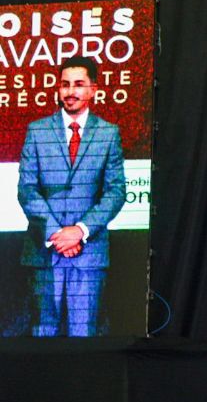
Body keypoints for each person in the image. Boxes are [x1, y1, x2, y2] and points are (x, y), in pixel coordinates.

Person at [18, 56, 126, 336]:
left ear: (93, 89)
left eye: (78, 84)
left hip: (89, 255)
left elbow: (116, 192)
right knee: (42, 335)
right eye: (65, 84)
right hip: (45, 252)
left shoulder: (109, 134)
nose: (70, 91)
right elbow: (27, 189)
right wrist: (57, 234)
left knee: (84, 336)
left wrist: (79, 231)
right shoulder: (37, 131)